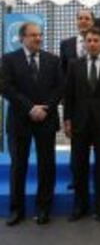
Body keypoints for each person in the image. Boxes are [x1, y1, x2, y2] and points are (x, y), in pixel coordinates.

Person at [2, 22, 63, 226]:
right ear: (22, 38)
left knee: (47, 166)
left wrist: (44, 107)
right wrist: (30, 108)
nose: (38, 38)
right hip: (20, 120)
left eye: (40, 34)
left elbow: (59, 87)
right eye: (33, 35)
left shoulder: (53, 60)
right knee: (18, 166)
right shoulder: (9, 59)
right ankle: (16, 210)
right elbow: (6, 87)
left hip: (46, 119)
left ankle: (44, 209)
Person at [64, 27, 100, 222]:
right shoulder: (74, 65)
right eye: (89, 40)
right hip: (79, 122)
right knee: (79, 166)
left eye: (96, 40)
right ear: (85, 43)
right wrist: (67, 120)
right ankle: (79, 206)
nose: (92, 44)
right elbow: (69, 96)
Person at [60, 8, 95, 190]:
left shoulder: (98, 42)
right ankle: (77, 179)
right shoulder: (66, 44)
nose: (83, 21)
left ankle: (97, 178)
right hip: (75, 103)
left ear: (92, 22)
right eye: (80, 18)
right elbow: (63, 74)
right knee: (77, 146)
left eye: (87, 18)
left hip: (97, 104)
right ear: (76, 21)